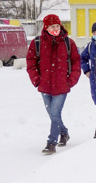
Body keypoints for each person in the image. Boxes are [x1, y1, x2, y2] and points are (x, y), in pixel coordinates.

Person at [26, 14, 81, 154]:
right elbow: (31, 63)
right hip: (45, 86)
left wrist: (71, 80)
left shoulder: (69, 43)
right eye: (52, 26)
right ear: (46, 27)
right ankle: (64, 133)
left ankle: (51, 143)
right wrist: (37, 80)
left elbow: (76, 63)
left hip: (62, 86)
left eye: (57, 26)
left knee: (55, 113)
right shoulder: (37, 43)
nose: (55, 28)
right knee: (52, 114)